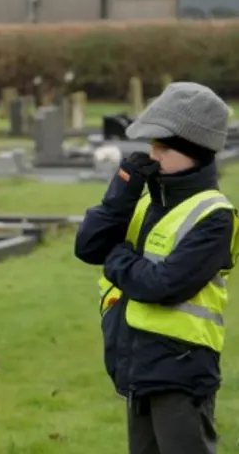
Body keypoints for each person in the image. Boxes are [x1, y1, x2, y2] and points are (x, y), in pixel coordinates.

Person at [74, 82, 239, 454]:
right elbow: (87, 247)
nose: (152, 155)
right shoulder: (146, 197)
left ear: (193, 150)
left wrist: (114, 255)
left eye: (162, 146)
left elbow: (162, 285)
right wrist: (122, 191)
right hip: (137, 363)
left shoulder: (215, 217)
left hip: (181, 371)